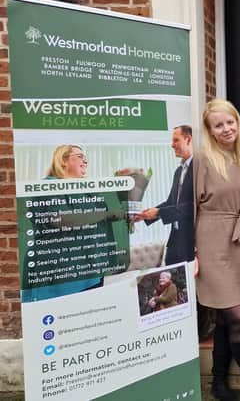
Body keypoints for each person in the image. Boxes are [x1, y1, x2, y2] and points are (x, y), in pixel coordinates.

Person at [193, 99, 240, 401]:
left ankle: (218, 380)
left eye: (230, 122)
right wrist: (193, 252)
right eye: (218, 125)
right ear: (209, 131)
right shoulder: (201, 159)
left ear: (238, 122)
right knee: (238, 317)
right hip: (211, 243)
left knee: (226, 317)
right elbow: (189, 210)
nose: (226, 129)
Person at [21, 145, 125, 302]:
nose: (86, 161)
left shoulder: (88, 189)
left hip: (91, 271)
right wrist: (106, 214)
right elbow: (60, 219)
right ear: (63, 160)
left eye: (86, 157)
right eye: (80, 156)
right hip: (62, 274)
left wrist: (124, 214)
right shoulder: (47, 186)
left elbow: (98, 219)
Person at [135, 125, 195, 265]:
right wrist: (145, 215)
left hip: (192, 242)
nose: (172, 145)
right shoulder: (178, 172)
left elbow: (194, 206)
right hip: (175, 241)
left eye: (176, 140)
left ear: (188, 139)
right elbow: (171, 203)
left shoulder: (199, 168)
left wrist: (160, 212)